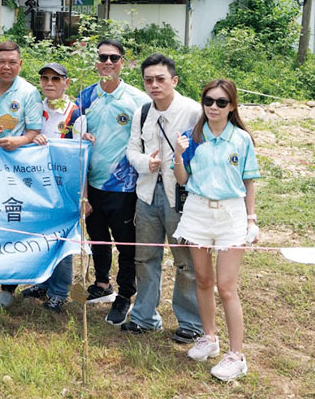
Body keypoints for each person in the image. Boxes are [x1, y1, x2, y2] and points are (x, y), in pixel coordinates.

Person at [173, 79, 260, 382]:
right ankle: (209, 338)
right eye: (209, 101)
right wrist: (177, 155)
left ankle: (237, 355)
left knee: (226, 286)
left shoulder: (242, 139)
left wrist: (251, 218)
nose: (214, 107)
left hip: (231, 215)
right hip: (197, 211)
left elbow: (249, 180)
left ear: (232, 106)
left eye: (221, 102)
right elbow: (183, 179)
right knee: (203, 279)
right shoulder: (193, 136)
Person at [121, 54, 203, 343]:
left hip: (181, 195)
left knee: (185, 261)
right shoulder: (142, 112)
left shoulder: (193, 112)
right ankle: (144, 317)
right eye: (148, 80)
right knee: (145, 257)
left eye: (160, 79)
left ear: (174, 80)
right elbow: (132, 150)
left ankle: (192, 322)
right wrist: (146, 163)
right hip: (146, 193)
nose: (154, 85)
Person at [76, 39, 151, 325]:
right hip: (92, 185)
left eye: (114, 58)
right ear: (95, 62)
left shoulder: (137, 100)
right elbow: (73, 136)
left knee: (126, 244)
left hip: (124, 187)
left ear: (123, 63)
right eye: (103, 58)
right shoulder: (84, 97)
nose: (108, 63)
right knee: (97, 238)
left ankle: (125, 295)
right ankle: (102, 284)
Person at [0, 41, 41, 309]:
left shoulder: (29, 93)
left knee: (10, 225)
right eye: (1, 61)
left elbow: (34, 132)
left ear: (20, 64)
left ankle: (8, 286)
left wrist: (18, 141)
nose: (6, 67)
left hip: (15, 172)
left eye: (12, 62)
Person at [25, 62, 87, 313]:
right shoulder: (35, 109)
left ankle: (60, 291)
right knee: (41, 234)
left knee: (62, 238)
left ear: (66, 83)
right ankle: (43, 282)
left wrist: (83, 196)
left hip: (64, 186)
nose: (49, 83)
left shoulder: (76, 114)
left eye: (55, 79)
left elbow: (82, 157)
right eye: (45, 78)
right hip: (37, 184)